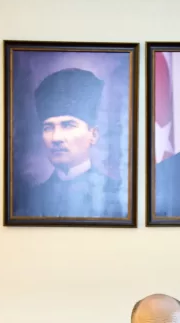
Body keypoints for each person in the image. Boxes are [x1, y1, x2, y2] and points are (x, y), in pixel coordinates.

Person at [13, 67, 126, 219]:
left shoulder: (116, 196)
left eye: (68, 125)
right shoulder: (27, 200)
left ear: (93, 135)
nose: (56, 138)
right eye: (48, 127)